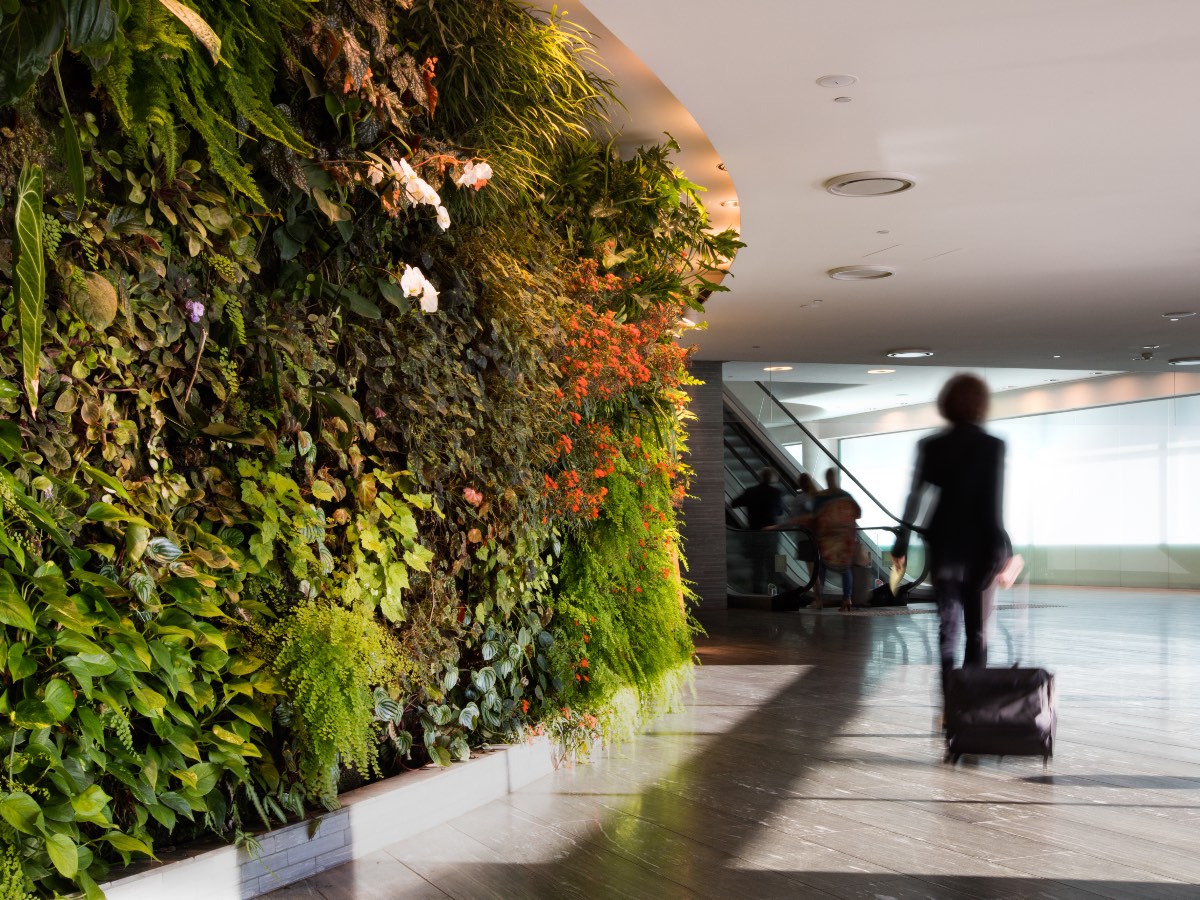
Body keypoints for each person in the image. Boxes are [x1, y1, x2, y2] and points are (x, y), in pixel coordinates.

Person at [891, 374, 1009, 704]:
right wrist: (1001, 551)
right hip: (980, 549)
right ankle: (971, 705)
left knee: (948, 630)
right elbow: (992, 505)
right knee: (977, 632)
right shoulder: (992, 446)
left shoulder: (930, 446)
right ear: (980, 404)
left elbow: (915, 496)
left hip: (943, 546)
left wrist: (900, 543)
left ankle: (949, 707)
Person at [811, 468, 862, 611]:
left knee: (822, 568)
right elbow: (858, 513)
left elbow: (815, 517)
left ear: (826, 479)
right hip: (845, 538)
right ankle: (847, 598)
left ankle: (819, 599)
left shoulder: (821, 497)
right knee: (845, 568)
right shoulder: (845, 495)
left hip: (827, 540)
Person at [731, 467, 787, 593]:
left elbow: (734, 503)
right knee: (773, 565)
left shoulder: (750, 491)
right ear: (772, 478)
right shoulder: (776, 492)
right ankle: (774, 592)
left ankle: (757, 593)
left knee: (757, 565)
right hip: (771, 534)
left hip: (754, 534)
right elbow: (779, 511)